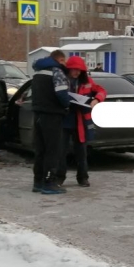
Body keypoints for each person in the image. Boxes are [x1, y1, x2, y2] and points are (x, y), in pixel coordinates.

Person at [55, 56, 106, 187]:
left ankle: (83, 177)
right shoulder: (62, 79)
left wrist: (97, 100)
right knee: (61, 151)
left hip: (81, 122)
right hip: (64, 120)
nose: (77, 72)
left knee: (81, 151)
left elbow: (101, 91)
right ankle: (59, 177)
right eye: (74, 70)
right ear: (69, 69)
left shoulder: (87, 81)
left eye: (79, 70)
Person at [31, 50, 71, 194]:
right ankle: (50, 183)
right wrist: (67, 105)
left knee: (40, 150)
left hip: (38, 114)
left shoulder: (37, 72)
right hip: (53, 115)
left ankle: (38, 182)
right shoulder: (57, 72)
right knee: (52, 150)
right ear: (60, 59)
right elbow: (61, 93)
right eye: (64, 61)